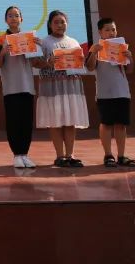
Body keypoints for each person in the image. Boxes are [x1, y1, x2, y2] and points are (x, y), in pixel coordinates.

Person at [37, 10, 89, 167]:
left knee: (70, 121)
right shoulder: (44, 42)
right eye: (56, 22)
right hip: (53, 87)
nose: (60, 25)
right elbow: (36, 63)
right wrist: (48, 62)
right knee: (56, 121)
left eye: (63, 22)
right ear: (50, 25)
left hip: (71, 86)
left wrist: (79, 61)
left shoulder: (74, 42)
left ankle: (70, 155)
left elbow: (80, 64)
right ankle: (60, 156)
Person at [85, 17, 135, 167]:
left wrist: (129, 57)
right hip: (104, 93)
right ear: (100, 32)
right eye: (107, 30)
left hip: (122, 91)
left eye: (113, 29)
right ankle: (108, 155)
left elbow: (130, 70)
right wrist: (93, 53)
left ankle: (121, 155)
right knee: (106, 124)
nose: (111, 32)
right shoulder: (97, 48)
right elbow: (90, 67)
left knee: (121, 125)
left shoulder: (121, 47)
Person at [0, 5, 39, 168]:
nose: (13, 18)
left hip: (27, 86)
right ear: (6, 20)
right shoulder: (1, 39)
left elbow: (36, 62)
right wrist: (3, 52)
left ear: (21, 19)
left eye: (16, 15)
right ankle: (16, 155)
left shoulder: (29, 37)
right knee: (13, 121)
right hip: (11, 87)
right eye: (10, 16)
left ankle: (25, 154)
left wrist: (37, 47)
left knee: (26, 122)